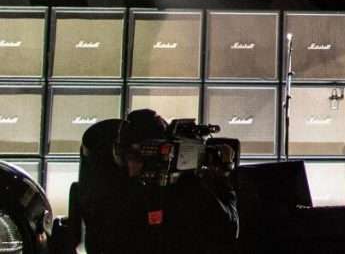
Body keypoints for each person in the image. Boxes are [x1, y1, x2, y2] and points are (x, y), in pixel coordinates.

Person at [80, 109, 239, 254]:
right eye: (126, 158)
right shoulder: (187, 190)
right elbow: (228, 230)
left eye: (134, 158)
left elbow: (226, 231)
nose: (130, 167)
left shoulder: (186, 191)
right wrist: (221, 180)